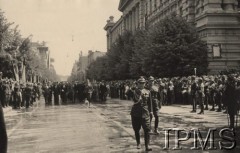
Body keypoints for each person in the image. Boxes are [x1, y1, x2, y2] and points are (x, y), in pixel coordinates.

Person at [131, 77, 152, 151]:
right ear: (138, 84)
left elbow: (150, 103)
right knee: (136, 129)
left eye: (143, 83)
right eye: (140, 83)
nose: (142, 84)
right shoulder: (134, 91)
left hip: (145, 113)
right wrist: (133, 87)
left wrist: (151, 111)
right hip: (136, 113)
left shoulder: (148, 91)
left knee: (147, 129)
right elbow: (127, 94)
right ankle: (138, 143)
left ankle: (147, 145)